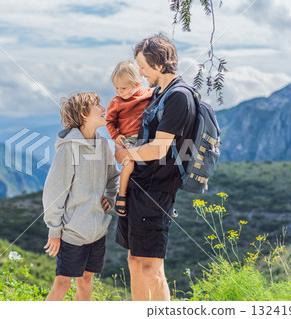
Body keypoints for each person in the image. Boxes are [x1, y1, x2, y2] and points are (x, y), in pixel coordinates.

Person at [114, 34, 196, 301]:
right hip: (140, 188)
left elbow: (159, 149)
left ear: (159, 65)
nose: (141, 72)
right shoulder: (160, 93)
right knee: (135, 262)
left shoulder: (178, 97)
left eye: (144, 67)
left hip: (156, 192)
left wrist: (126, 154)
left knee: (151, 267)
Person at [43, 92, 120, 301]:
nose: (104, 108)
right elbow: (54, 191)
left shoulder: (103, 145)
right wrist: (54, 230)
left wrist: (110, 198)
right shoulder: (69, 149)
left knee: (86, 280)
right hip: (73, 232)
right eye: (98, 106)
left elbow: (114, 177)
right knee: (62, 284)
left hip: (97, 231)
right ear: (84, 114)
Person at [105, 60, 152, 217]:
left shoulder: (148, 94)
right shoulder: (117, 102)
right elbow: (109, 122)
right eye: (116, 88)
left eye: (123, 88)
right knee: (129, 163)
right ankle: (122, 194)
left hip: (146, 138)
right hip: (128, 139)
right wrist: (116, 136)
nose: (119, 91)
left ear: (136, 84)